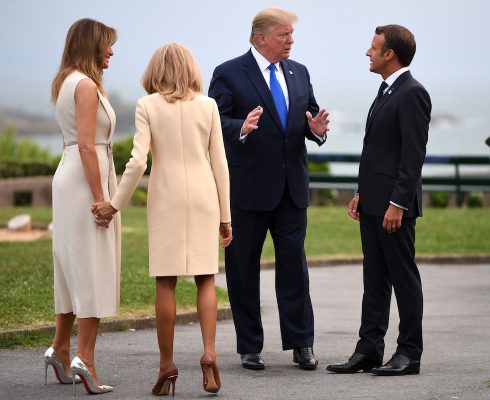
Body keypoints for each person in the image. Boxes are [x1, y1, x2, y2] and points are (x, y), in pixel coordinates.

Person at [92, 43, 231, 395]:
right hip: (203, 197)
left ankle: (167, 364)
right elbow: (220, 164)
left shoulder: (147, 105)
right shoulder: (208, 105)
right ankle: (209, 354)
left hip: (166, 197)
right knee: (205, 279)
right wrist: (226, 217)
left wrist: (115, 204)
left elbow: (138, 162)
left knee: (166, 281)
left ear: (156, 70)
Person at [208, 7, 329, 370]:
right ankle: (249, 346)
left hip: (292, 190)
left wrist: (317, 130)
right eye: (285, 34)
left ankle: (301, 344)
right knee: (243, 269)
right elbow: (214, 123)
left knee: (295, 267)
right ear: (262, 38)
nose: (291, 40)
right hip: (246, 190)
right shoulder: (229, 73)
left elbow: (308, 116)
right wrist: (241, 127)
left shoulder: (299, 72)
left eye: (291, 35)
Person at [326, 24, 431, 376]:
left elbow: (412, 156)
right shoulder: (387, 90)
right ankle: (369, 349)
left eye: (373, 48)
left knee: (403, 278)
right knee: (374, 278)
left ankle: (409, 353)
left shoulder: (412, 93)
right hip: (373, 202)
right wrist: (362, 192)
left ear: (390, 55)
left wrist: (398, 204)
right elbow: (378, 151)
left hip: (394, 208)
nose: (367, 52)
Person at [46, 18, 119, 394]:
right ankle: (85, 359)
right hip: (86, 179)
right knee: (91, 268)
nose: (111, 51)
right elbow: (89, 146)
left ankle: (60, 349)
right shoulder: (87, 85)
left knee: (71, 268)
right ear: (91, 45)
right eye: (107, 45)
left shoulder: (65, 81)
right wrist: (101, 198)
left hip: (67, 174)